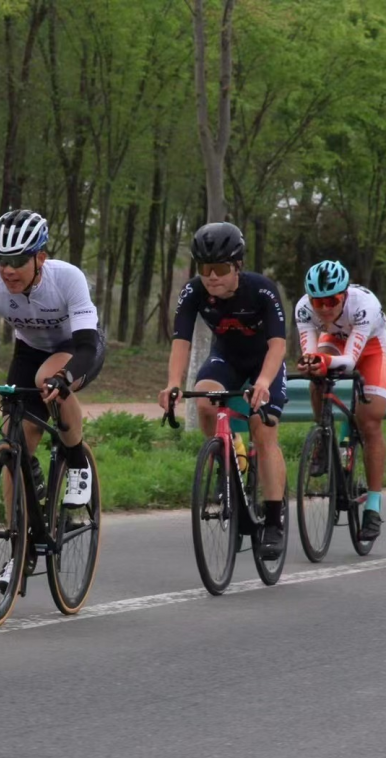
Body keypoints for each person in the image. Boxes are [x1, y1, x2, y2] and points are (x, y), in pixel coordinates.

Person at [0, 209, 106, 590]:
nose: (7, 270)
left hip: (77, 348)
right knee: (13, 438)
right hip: (28, 351)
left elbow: (84, 343)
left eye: (16, 261)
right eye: (0, 260)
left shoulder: (68, 278)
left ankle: (78, 464)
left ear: (40, 258)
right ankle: (22, 546)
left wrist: (65, 378)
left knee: (49, 378)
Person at [158, 222, 289, 559]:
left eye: (220, 269)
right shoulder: (193, 292)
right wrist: (173, 382)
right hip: (227, 358)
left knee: (264, 429)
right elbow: (181, 341)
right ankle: (229, 455)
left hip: (265, 362)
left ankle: (273, 520)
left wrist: (262, 382)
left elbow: (278, 345)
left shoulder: (262, 290)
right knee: (202, 401)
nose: (212, 277)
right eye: (205, 269)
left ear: (238, 267)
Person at [294, 259, 386, 541]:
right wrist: (312, 364)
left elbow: (348, 362)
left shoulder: (364, 306)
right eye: (318, 302)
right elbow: (312, 354)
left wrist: (323, 361)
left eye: (332, 300)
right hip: (334, 340)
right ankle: (324, 438)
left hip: (370, 347)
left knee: (370, 421)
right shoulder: (303, 309)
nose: (324, 308)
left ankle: (373, 505)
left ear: (345, 294)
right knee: (316, 374)